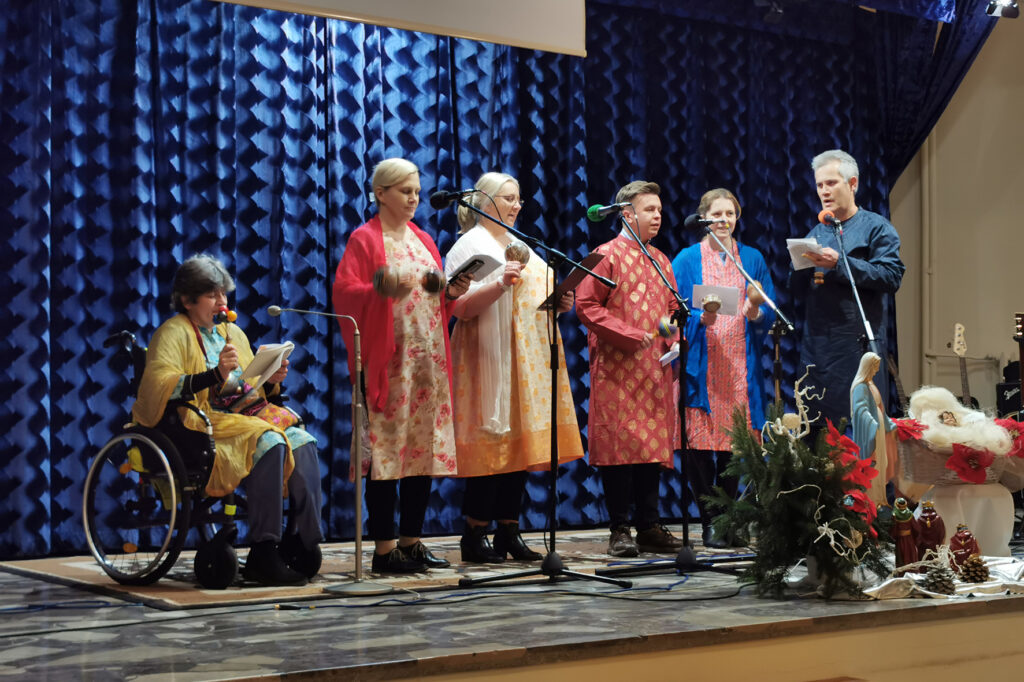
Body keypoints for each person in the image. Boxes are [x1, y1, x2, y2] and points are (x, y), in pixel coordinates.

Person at [132, 254, 323, 587]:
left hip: (244, 414)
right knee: (270, 440)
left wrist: (273, 376)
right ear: (188, 299)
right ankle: (264, 549)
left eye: (224, 293)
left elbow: (249, 385)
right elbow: (160, 384)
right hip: (202, 424)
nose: (222, 302)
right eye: (212, 295)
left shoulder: (232, 331)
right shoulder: (172, 333)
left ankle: (301, 538)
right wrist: (214, 374)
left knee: (303, 441)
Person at [332, 158, 472, 574]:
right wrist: (381, 286)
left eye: (415, 190)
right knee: (388, 454)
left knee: (420, 451)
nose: (414, 198)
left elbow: (436, 298)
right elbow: (344, 293)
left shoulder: (422, 238)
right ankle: (384, 548)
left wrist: (451, 288)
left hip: (428, 362)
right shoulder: (365, 239)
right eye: (405, 191)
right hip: (390, 363)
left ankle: (411, 542)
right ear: (380, 193)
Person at [444, 172, 583, 563]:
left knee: (517, 448)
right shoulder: (469, 244)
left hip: (526, 361)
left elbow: (537, 298)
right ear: (484, 201)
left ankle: (508, 529)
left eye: (519, 198)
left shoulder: (521, 245)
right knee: (491, 449)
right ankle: (474, 534)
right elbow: (460, 307)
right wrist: (499, 285)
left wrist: (559, 302)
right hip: (487, 359)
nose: (516, 205)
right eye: (508, 198)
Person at [576, 180, 683, 557]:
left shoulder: (661, 259)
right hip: (617, 369)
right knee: (620, 449)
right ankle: (619, 528)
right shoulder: (604, 255)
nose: (658, 215)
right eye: (649, 209)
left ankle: (649, 525)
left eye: (659, 209)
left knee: (650, 448)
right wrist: (628, 334)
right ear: (627, 213)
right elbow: (586, 305)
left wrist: (670, 340)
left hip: (653, 370)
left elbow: (670, 311)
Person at [671, 188, 775, 548]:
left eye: (730, 214)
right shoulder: (686, 260)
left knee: (734, 445)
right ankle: (709, 519)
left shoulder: (752, 259)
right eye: (717, 214)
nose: (725, 221)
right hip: (702, 365)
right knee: (698, 445)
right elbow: (674, 311)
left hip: (738, 367)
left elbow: (766, 309)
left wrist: (754, 311)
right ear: (704, 218)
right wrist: (702, 317)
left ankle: (730, 516)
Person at [792, 149, 905, 428]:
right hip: (817, 354)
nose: (824, 191)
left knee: (859, 437)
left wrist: (839, 264)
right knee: (814, 437)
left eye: (831, 183)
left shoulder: (876, 228)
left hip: (856, 352)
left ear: (852, 184)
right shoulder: (816, 232)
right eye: (819, 185)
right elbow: (795, 290)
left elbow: (891, 276)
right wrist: (798, 268)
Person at [850, 351, 897, 507]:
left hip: (879, 428)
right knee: (873, 465)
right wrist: (873, 424)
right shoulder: (861, 387)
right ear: (867, 367)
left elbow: (879, 407)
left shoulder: (870, 384)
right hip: (872, 429)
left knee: (881, 465)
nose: (877, 370)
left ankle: (880, 499)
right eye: (875, 367)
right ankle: (870, 501)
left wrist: (889, 424)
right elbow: (860, 410)